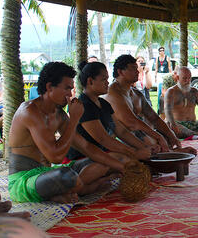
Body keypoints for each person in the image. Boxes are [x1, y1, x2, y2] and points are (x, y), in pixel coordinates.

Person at [7, 62, 125, 203]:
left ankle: (67, 192)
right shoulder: (29, 111)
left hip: (48, 173)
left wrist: (122, 167)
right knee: (66, 176)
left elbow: (86, 147)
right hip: (24, 181)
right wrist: (74, 119)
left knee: (107, 159)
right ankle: (86, 188)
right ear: (49, 87)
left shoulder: (59, 114)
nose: (70, 94)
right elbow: (55, 157)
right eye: (67, 88)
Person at [104, 55, 195, 155]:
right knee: (151, 139)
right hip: (119, 138)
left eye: (137, 68)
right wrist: (158, 137)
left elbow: (154, 118)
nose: (137, 71)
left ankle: (168, 150)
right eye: (133, 68)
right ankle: (168, 152)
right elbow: (131, 123)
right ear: (120, 72)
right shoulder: (113, 92)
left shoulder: (136, 94)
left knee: (167, 133)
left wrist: (171, 135)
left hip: (139, 135)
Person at [66, 61, 152, 162]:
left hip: (101, 154)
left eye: (107, 79)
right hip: (81, 158)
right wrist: (134, 152)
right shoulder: (84, 105)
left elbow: (121, 131)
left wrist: (145, 147)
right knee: (126, 159)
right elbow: (103, 139)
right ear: (90, 81)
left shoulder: (103, 103)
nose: (107, 82)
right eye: (104, 79)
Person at [154, 47, 172, 112]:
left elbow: (169, 67)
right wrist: (155, 76)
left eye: (163, 50)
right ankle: (159, 106)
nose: (162, 52)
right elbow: (156, 68)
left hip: (165, 74)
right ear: (159, 52)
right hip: (159, 74)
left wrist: (171, 75)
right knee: (159, 90)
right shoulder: (157, 58)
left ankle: (167, 104)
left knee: (166, 89)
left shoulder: (167, 57)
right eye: (161, 51)